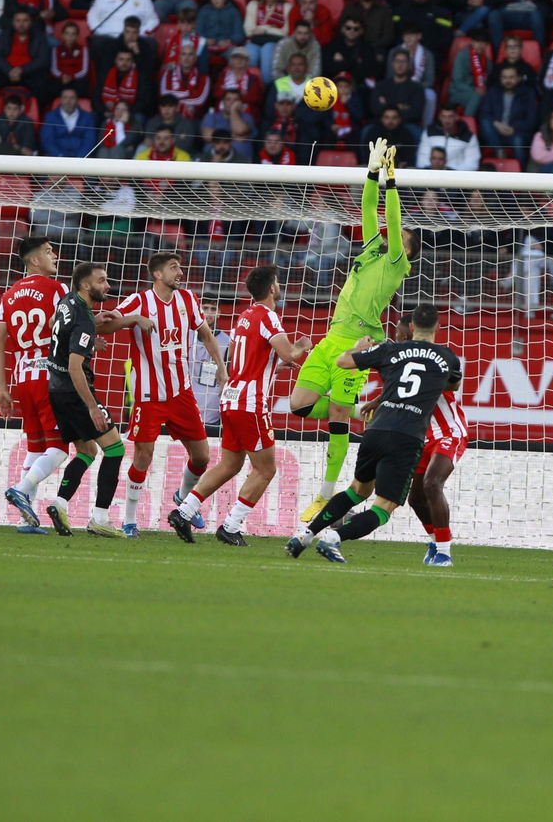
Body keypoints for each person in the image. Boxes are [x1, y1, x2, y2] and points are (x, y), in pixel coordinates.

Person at [287, 140, 414, 521]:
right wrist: (372, 172)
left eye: (403, 236)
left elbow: (391, 218)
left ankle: (325, 495)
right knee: (300, 405)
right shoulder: (371, 248)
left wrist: (391, 180)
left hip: (358, 342)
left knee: (338, 415)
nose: (397, 234)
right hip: (330, 338)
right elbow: (367, 209)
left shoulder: (396, 262)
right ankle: (358, 409)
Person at [286, 300, 460, 563]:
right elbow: (454, 385)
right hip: (406, 437)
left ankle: (306, 535)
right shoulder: (447, 357)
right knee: (384, 507)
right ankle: (333, 539)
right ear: (437, 326)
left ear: (411, 327)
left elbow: (343, 361)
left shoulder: (390, 349)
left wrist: (359, 348)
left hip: (375, 430)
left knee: (357, 490)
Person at [167, 265, 312, 544]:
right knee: (266, 469)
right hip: (251, 403)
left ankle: (184, 512)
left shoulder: (245, 316)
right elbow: (288, 350)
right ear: (272, 288)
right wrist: (302, 346)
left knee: (230, 464)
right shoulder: (269, 317)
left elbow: (238, 357)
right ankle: (231, 526)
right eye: (278, 283)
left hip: (231, 397)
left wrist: (273, 366)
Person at [113, 251, 226, 537]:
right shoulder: (139, 301)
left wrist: (222, 369)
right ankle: (129, 521)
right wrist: (134, 319)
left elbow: (207, 335)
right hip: (149, 395)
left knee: (202, 456)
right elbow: (105, 322)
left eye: (181, 267)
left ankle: (183, 499)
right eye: (174, 268)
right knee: (143, 456)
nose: (180, 272)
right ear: (158, 274)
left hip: (181, 393)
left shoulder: (188, 300)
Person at [29, 262, 131, 537]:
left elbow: (53, 325)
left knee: (87, 451)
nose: (107, 286)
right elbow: (75, 367)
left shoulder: (67, 300)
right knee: (115, 450)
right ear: (86, 286)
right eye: (102, 280)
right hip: (75, 393)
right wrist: (92, 406)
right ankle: (100, 518)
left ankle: (60, 504)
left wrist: (85, 341)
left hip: (56, 389)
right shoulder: (84, 317)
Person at [477, 61, 538, 162]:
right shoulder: (493, 90)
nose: (507, 80)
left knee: (518, 141)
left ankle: (521, 173)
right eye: (504, 77)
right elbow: (483, 112)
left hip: (516, 132)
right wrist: (496, 124)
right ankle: (499, 152)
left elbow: (531, 120)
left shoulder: (528, 93)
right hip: (495, 132)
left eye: (511, 77)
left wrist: (513, 128)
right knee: (485, 122)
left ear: (519, 78)